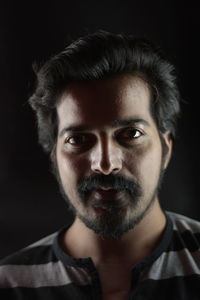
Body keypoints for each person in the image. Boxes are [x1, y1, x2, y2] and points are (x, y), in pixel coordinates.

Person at [0, 30, 199, 300]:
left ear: (166, 149)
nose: (105, 164)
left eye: (131, 134)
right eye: (78, 139)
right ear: (54, 158)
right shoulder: (9, 284)